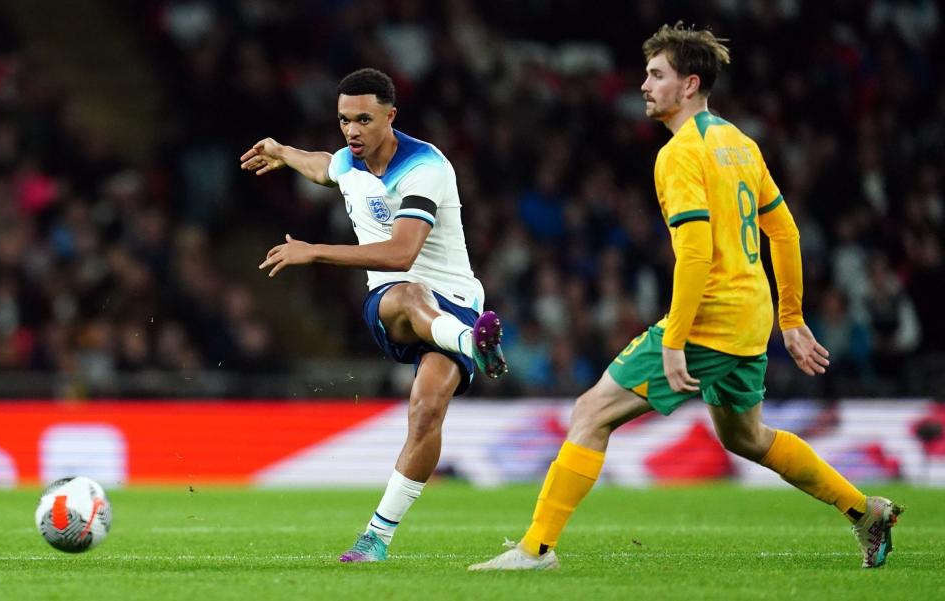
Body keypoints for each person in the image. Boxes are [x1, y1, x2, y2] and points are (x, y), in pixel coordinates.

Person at [469, 23, 902, 572]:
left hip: (709, 318)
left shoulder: (679, 154)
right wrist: (789, 316)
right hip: (751, 318)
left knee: (591, 411)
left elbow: (695, 255)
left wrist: (675, 341)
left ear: (690, 84)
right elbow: (785, 232)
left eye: (656, 75)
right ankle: (866, 511)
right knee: (747, 437)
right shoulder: (740, 143)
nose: (644, 85)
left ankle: (535, 549)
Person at [240, 68, 507, 563]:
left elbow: (403, 249)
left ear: (391, 116)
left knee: (426, 413)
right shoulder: (349, 159)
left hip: (455, 300)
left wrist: (314, 251)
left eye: (364, 119)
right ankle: (473, 344)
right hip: (392, 302)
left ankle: (376, 537)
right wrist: (281, 151)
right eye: (344, 120)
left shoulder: (426, 167)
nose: (352, 131)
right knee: (407, 293)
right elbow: (325, 166)